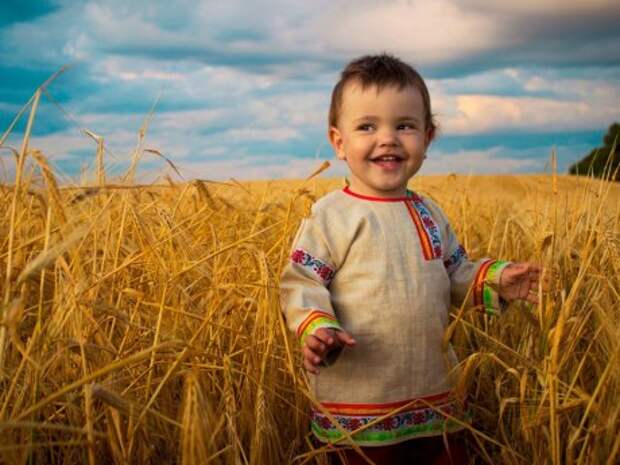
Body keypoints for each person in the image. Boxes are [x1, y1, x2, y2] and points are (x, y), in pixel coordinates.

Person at [279, 54, 541, 465]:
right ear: (338, 141)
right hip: (359, 406)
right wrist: (318, 326)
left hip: (436, 396)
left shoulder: (430, 212)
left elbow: (456, 272)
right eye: (367, 126)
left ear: (428, 136)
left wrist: (497, 279)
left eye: (404, 125)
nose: (388, 139)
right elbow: (302, 280)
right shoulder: (331, 215)